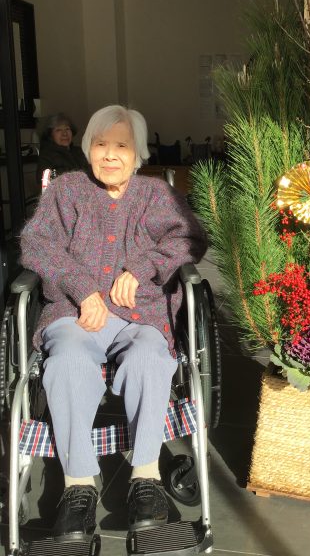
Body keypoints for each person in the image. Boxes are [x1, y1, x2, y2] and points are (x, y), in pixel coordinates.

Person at [21, 105, 207, 543]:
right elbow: (36, 244)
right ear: (88, 148)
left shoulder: (156, 195)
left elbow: (190, 237)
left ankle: (146, 480)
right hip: (73, 314)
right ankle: (78, 488)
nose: (109, 154)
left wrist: (140, 269)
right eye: (100, 144)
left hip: (141, 315)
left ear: (137, 153)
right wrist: (83, 289)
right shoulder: (67, 191)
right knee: (66, 362)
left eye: (121, 146)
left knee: (149, 358)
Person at [36, 112, 89, 183]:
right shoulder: (47, 156)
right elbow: (45, 181)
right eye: (58, 130)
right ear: (50, 135)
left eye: (67, 129)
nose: (64, 133)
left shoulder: (80, 151)